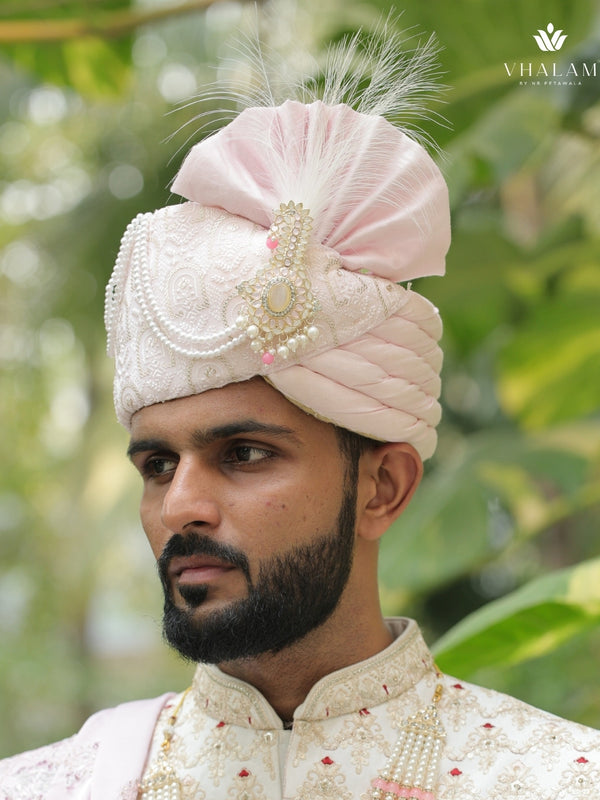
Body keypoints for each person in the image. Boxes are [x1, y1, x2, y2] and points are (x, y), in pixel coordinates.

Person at [1, 25, 599, 800]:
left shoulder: (558, 779)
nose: (179, 506)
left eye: (244, 453)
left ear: (383, 488)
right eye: (157, 464)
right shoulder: (55, 786)